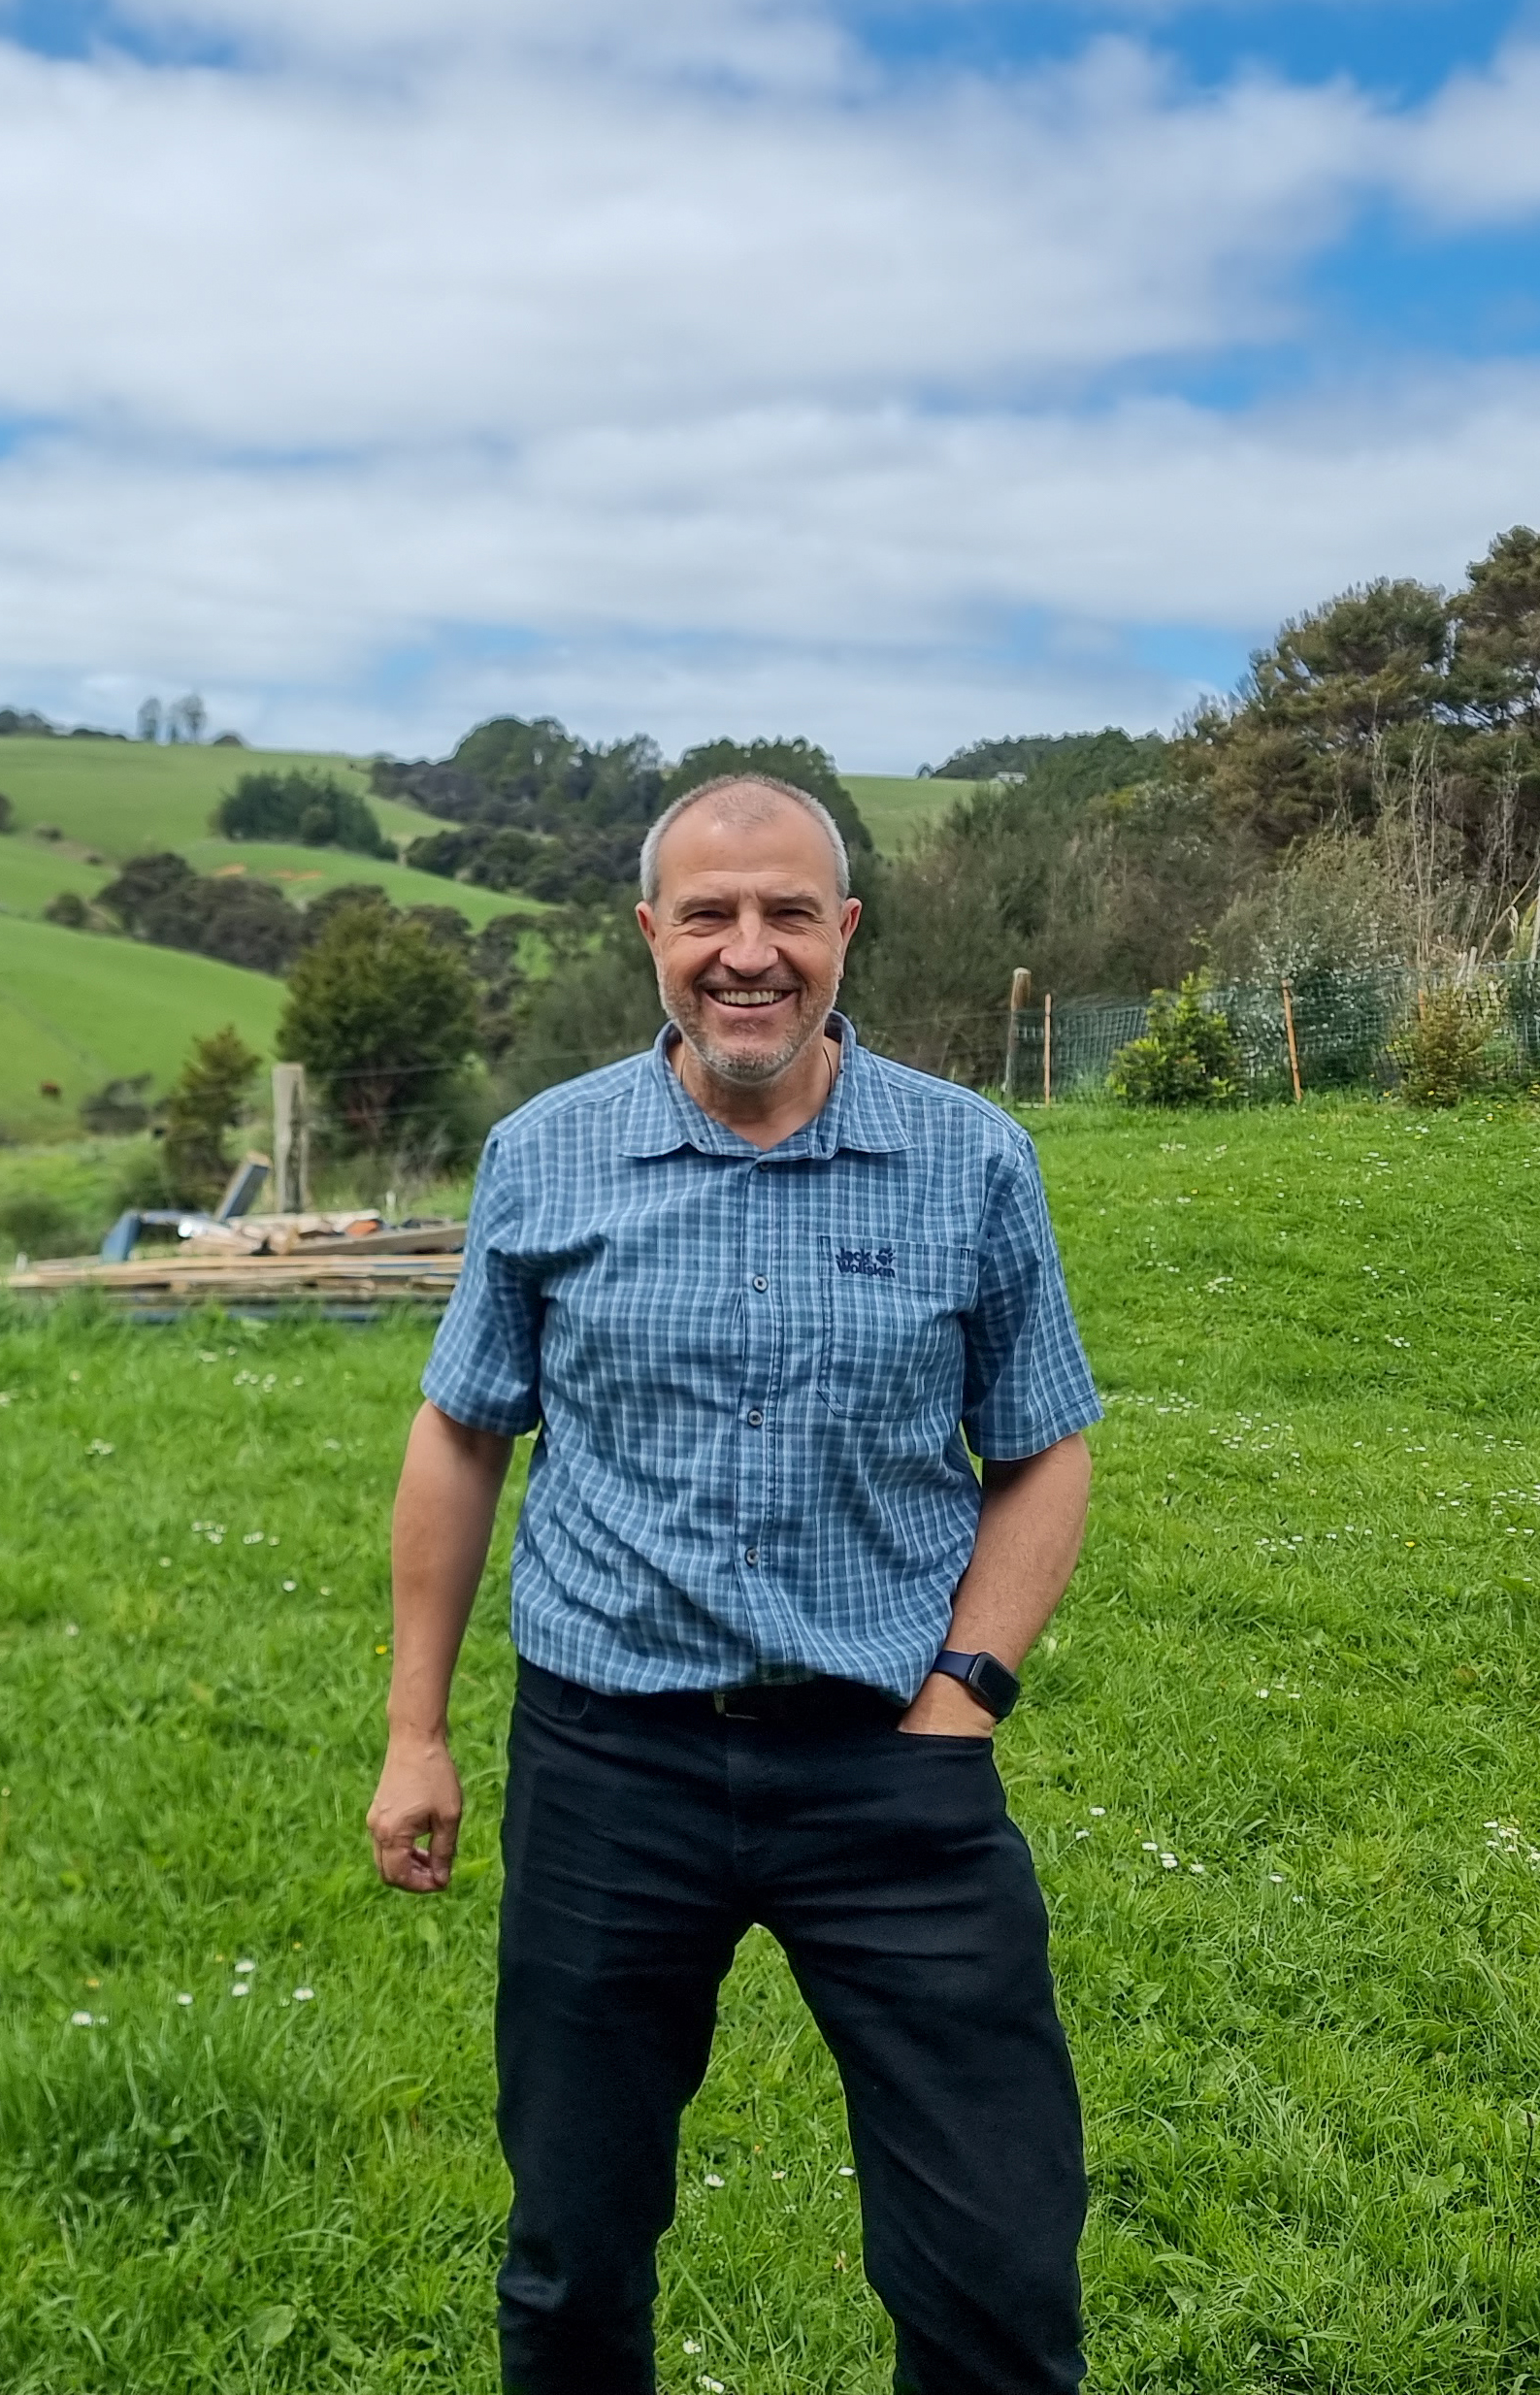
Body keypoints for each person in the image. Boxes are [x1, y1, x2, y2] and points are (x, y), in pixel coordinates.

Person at [368, 772, 1101, 2395]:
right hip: (608, 1763)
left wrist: (962, 1692)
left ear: (842, 933)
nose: (745, 952)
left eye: (785, 914)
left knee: (996, 2264)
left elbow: (1044, 1444)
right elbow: (460, 1433)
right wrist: (417, 1733)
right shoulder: (543, 1158)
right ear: (650, 934)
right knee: (571, 2250)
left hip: (890, 1770)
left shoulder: (969, 1160)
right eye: (708, 913)